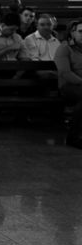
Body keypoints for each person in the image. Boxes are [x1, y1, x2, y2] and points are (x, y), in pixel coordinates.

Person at [55, 20, 82, 150]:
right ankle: (73, 137)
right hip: (69, 86)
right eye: (81, 31)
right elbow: (65, 72)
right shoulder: (64, 48)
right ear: (73, 33)